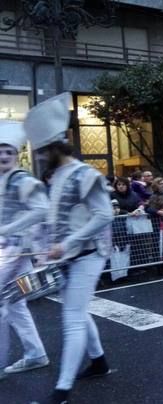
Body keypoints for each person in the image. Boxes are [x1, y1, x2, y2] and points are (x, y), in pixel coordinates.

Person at [25, 93, 113, 403]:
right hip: (69, 256)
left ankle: (61, 391)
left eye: (41, 152)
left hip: (90, 254)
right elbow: (59, 219)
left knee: (72, 317)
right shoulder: (57, 176)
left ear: (53, 148)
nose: (38, 157)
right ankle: (99, 360)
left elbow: (105, 214)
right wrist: (44, 246)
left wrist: (67, 244)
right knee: (75, 310)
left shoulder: (85, 174)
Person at [0, 121, 49, 381]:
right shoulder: (4, 180)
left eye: (8, 151)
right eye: (0, 151)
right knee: (16, 305)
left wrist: (8, 228)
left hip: (15, 251)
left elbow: (42, 209)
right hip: (12, 251)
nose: (4, 155)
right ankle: (35, 354)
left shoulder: (22, 179)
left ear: (16, 154)